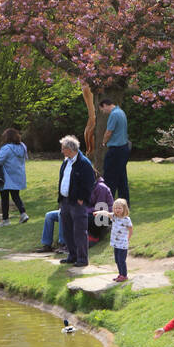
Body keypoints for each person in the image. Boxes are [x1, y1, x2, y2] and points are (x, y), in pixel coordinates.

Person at [56, 135, 96, 267]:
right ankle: (72, 255)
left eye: (63, 149)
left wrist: (81, 199)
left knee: (79, 231)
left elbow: (90, 183)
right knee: (67, 230)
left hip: (76, 202)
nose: (62, 151)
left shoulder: (84, 163)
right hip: (65, 201)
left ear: (70, 149)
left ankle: (82, 259)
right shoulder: (66, 162)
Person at [0, 128, 30, 226]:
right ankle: (23, 214)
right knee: (16, 196)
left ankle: (5, 220)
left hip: (6, 176)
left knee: (4, 198)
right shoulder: (22, 147)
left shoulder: (7, 148)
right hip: (18, 175)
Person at [101, 99, 131, 201]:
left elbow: (109, 131)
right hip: (124, 148)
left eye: (102, 109)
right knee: (122, 177)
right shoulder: (121, 112)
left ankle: (108, 201)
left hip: (116, 150)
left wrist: (104, 142)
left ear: (105, 105)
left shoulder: (114, 114)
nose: (103, 112)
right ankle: (125, 203)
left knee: (110, 177)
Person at [109, 198, 133, 282]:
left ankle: (124, 275)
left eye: (119, 208)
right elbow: (106, 213)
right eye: (115, 208)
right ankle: (120, 274)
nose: (117, 210)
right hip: (116, 243)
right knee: (117, 260)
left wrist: (128, 239)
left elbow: (130, 230)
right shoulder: (114, 217)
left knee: (121, 260)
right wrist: (98, 212)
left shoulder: (126, 219)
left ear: (124, 209)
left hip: (123, 244)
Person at [87, 175, 114, 243]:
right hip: (94, 211)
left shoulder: (101, 187)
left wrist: (86, 210)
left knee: (86, 218)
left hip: (106, 214)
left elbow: (100, 207)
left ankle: (95, 236)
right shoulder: (89, 187)